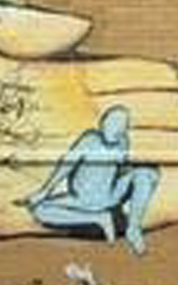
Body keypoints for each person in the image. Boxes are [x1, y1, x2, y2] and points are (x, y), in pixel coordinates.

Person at [27, 104, 161, 254]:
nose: (116, 130)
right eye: (113, 123)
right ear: (102, 124)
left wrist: (134, 174)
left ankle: (134, 228)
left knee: (147, 173)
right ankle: (97, 218)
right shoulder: (89, 139)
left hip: (109, 196)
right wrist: (45, 191)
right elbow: (66, 164)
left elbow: (122, 168)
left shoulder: (123, 141)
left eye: (121, 126)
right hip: (81, 200)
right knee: (39, 210)